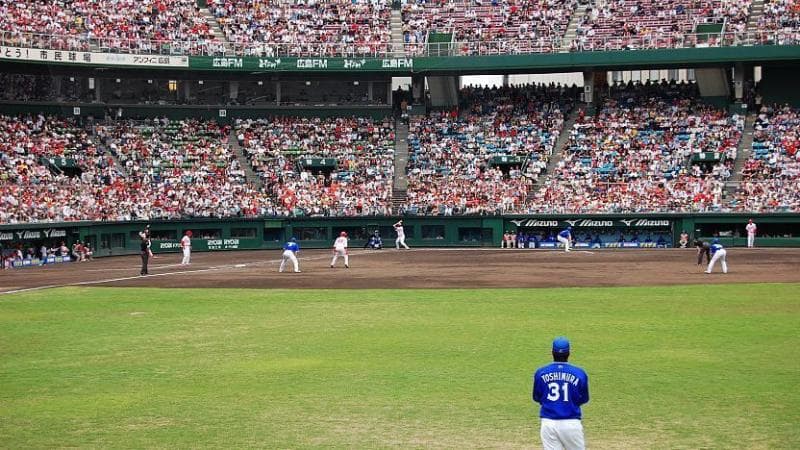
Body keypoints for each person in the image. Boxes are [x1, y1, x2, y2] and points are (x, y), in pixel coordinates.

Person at [532, 336, 590, 450]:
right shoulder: (579, 373)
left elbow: (537, 397)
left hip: (548, 423)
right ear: (569, 353)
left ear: (552, 352)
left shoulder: (541, 372)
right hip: (571, 423)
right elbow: (584, 398)